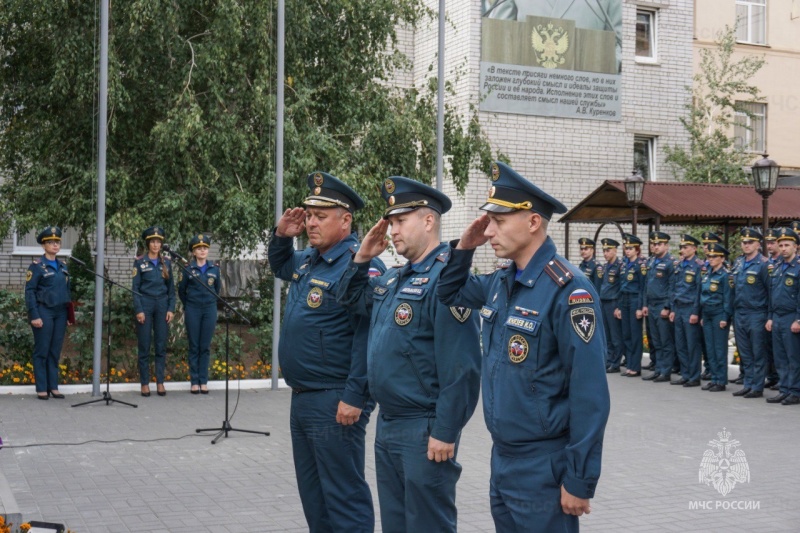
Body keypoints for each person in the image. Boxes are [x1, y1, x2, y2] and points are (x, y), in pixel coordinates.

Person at [437, 161, 610, 533]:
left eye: (499, 221)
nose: (490, 230)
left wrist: (579, 480)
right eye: (489, 221)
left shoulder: (569, 291)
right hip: (503, 460)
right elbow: (448, 292)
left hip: (544, 467)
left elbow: (590, 393)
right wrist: (465, 247)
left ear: (533, 223)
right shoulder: (501, 282)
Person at [337, 177, 481, 533]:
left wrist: (446, 430)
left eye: (401, 221)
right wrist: (362, 257)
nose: (392, 230)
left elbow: (462, 367)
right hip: (389, 425)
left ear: (428, 221)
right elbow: (350, 300)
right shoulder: (395, 278)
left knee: (427, 525)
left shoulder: (447, 279)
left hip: (425, 429)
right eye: (391, 221)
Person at [269, 171, 385, 533]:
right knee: (315, 499)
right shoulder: (310, 260)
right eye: (308, 214)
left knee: (344, 499)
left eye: (320, 216)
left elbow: (368, 335)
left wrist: (355, 395)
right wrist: (280, 238)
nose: (310, 223)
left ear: (346, 220)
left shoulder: (360, 265)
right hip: (305, 398)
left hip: (336, 400)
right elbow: (281, 266)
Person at [482, 0, 622, 72]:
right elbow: (498, 41)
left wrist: (604, 68)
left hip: (586, 97)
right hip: (525, 92)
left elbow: (621, 45)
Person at [24, 226, 73, 400]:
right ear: (44, 246)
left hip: (60, 313)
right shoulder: (37, 266)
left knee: (55, 350)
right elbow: (29, 292)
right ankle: (41, 388)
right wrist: (34, 315)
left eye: (57, 242)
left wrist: (68, 315)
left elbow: (67, 291)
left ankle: (54, 386)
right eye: (51, 242)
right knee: (42, 350)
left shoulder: (63, 266)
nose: (55, 245)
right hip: (44, 311)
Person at [132, 226, 176, 397]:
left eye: (159, 242)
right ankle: (144, 383)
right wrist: (139, 310)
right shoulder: (140, 262)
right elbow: (135, 288)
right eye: (153, 242)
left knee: (160, 345)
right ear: (148, 243)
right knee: (144, 345)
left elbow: (171, 289)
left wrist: (171, 309)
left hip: (162, 306)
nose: (156, 245)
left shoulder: (167, 262)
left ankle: (160, 382)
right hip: (146, 304)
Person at [730, 228, 770, 398]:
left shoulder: (764, 264)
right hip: (740, 313)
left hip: (757, 313)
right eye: (744, 242)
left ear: (758, 244)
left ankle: (757, 386)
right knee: (745, 352)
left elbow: (770, 293)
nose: (746, 245)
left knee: (758, 351)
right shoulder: (738, 263)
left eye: (750, 242)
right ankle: (748, 383)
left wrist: (769, 316)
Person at [178, 234, 220, 394]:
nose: (202, 251)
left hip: (209, 309)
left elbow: (217, 290)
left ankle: (204, 381)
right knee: (194, 345)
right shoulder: (188, 269)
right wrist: (189, 305)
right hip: (193, 309)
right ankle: (194, 381)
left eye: (205, 248)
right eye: (199, 248)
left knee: (205, 346)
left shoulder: (214, 269)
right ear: (194, 252)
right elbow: (182, 291)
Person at [765, 228, 800, 405]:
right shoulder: (777, 267)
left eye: (787, 245)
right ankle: (784, 388)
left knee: (793, 356)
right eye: (782, 245)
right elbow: (773, 294)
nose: (784, 248)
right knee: (780, 356)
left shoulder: (799, 267)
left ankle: (795, 390)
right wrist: (770, 316)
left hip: (791, 316)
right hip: (777, 317)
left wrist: (798, 319)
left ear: (796, 247)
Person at [669, 234, 704, 388]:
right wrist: (672, 309)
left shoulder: (698, 266)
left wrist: (696, 312)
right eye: (682, 247)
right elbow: (674, 287)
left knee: (692, 345)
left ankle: (694, 376)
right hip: (679, 307)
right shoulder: (679, 265)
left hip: (690, 308)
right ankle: (685, 374)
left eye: (686, 247)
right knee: (681, 344)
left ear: (694, 249)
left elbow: (698, 291)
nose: (683, 250)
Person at [641, 231, 676, 382]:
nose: (655, 247)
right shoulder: (651, 262)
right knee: (655, 340)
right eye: (653, 244)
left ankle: (665, 371)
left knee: (665, 340)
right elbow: (646, 285)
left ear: (666, 246)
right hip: (652, 304)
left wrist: (667, 307)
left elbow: (672, 287)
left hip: (662, 304)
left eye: (659, 244)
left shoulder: (670, 263)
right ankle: (658, 368)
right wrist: (645, 304)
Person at [699, 243, 733, 392]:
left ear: (722, 258)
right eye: (709, 256)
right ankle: (714, 378)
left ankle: (721, 380)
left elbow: (728, 298)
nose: (711, 259)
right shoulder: (707, 274)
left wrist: (725, 317)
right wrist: (702, 315)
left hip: (719, 313)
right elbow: (703, 295)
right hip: (707, 313)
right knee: (710, 348)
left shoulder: (726, 275)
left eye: (714, 256)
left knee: (719, 349)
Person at [615, 234, 646, 377]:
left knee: (635, 335)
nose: (627, 251)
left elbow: (642, 287)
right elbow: (621, 285)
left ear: (637, 250)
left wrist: (640, 307)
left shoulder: (640, 265)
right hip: (624, 300)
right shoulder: (623, 264)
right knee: (626, 334)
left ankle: (635, 366)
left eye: (630, 248)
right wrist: (620, 306)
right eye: (626, 248)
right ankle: (629, 364)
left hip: (634, 300)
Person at [599, 238, 623, 373]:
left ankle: (616, 362)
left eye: (608, 250)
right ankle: (609, 360)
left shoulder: (619, 266)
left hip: (613, 303)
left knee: (615, 336)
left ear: (615, 250)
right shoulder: (605, 266)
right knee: (607, 334)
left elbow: (620, 287)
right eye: (604, 251)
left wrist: (619, 306)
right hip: (604, 302)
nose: (605, 253)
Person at [764, 228, 781, 389]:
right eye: (767, 243)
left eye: (772, 242)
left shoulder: (786, 262)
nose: (769, 246)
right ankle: (773, 376)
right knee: (771, 346)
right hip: (770, 309)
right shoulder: (767, 263)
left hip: (785, 310)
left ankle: (785, 380)